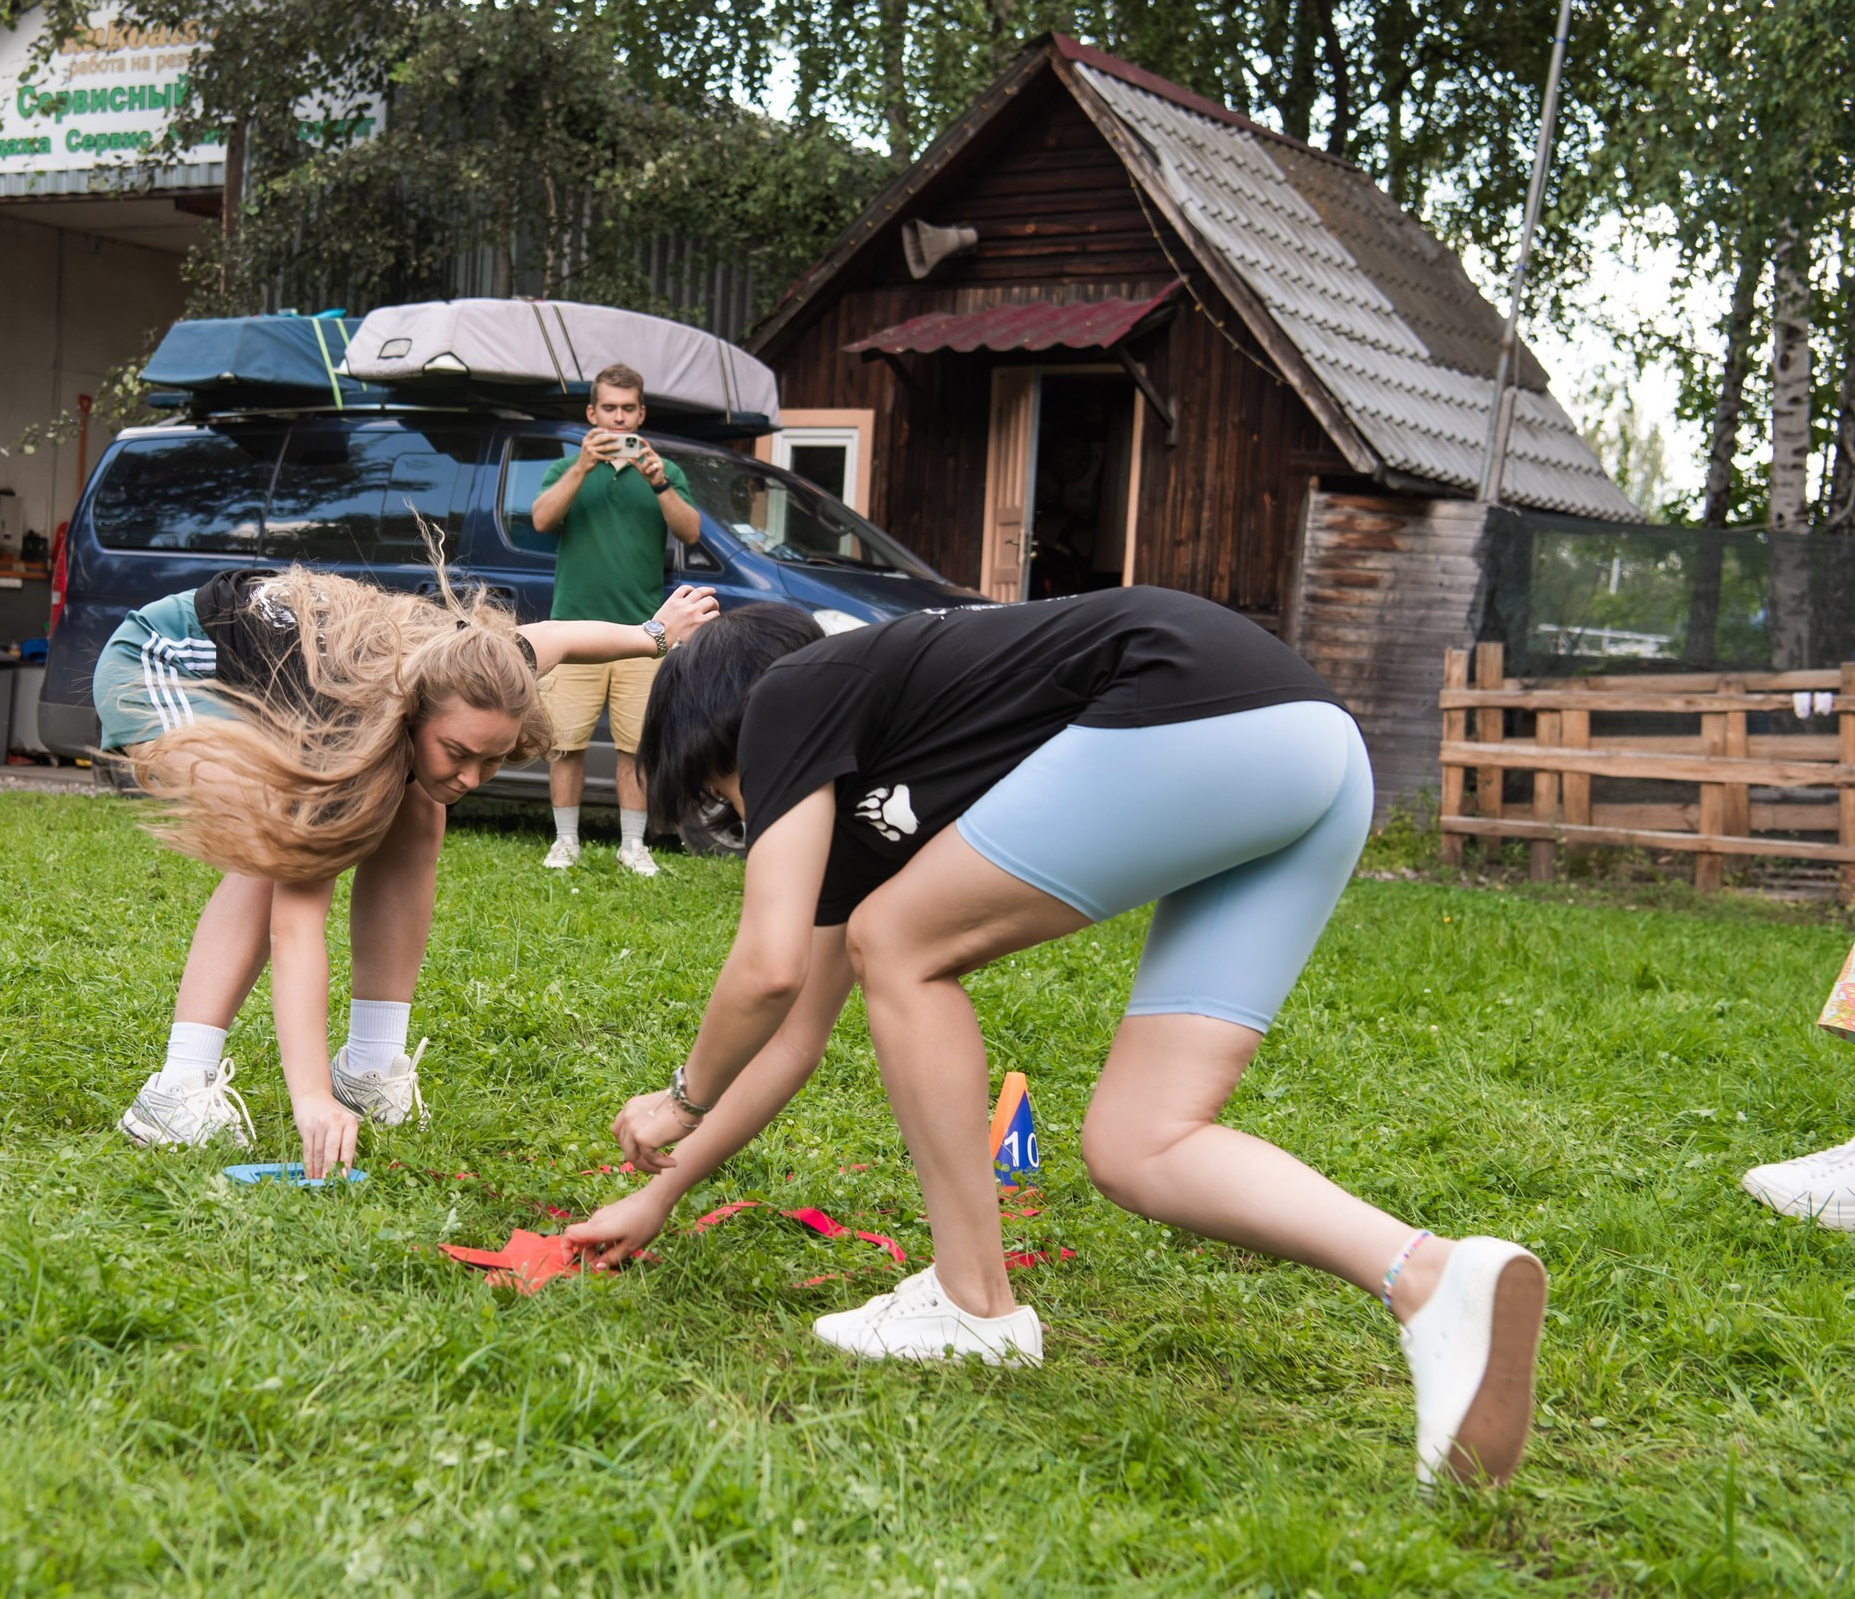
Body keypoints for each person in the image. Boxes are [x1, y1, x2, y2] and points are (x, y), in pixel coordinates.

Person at [565, 593, 1549, 1489]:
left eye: (724, 790)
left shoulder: (787, 691)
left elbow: (767, 964)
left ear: (727, 729)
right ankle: (1429, 1276)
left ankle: (971, 1305)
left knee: (897, 942)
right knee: (1140, 1142)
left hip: (1202, 711)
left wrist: (679, 1095)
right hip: (1316, 757)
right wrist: (659, 1188)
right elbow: (794, 1033)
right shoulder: (884, 767)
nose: (743, 814)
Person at [97, 561, 717, 1179]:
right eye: (458, 752)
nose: (472, 778)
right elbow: (297, 928)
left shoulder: (483, 672)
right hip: (168, 661)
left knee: (423, 804)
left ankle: (369, 1065)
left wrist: (654, 634)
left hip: (302, 679)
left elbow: (556, 637)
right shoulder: (347, 721)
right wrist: (308, 1099)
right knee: (281, 839)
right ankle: (175, 1090)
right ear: (414, 713)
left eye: (492, 759)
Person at [528, 363, 701, 876]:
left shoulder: (666, 471)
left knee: (635, 746)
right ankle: (565, 843)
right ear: (592, 413)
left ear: (641, 414)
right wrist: (581, 466)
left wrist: (660, 482)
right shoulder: (566, 469)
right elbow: (540, 520)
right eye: (610, 408)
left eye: (628, 409)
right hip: (574, 634)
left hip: (644, 635)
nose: (619, 419)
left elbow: (690, 532)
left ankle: (632, 846)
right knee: (564, 743)